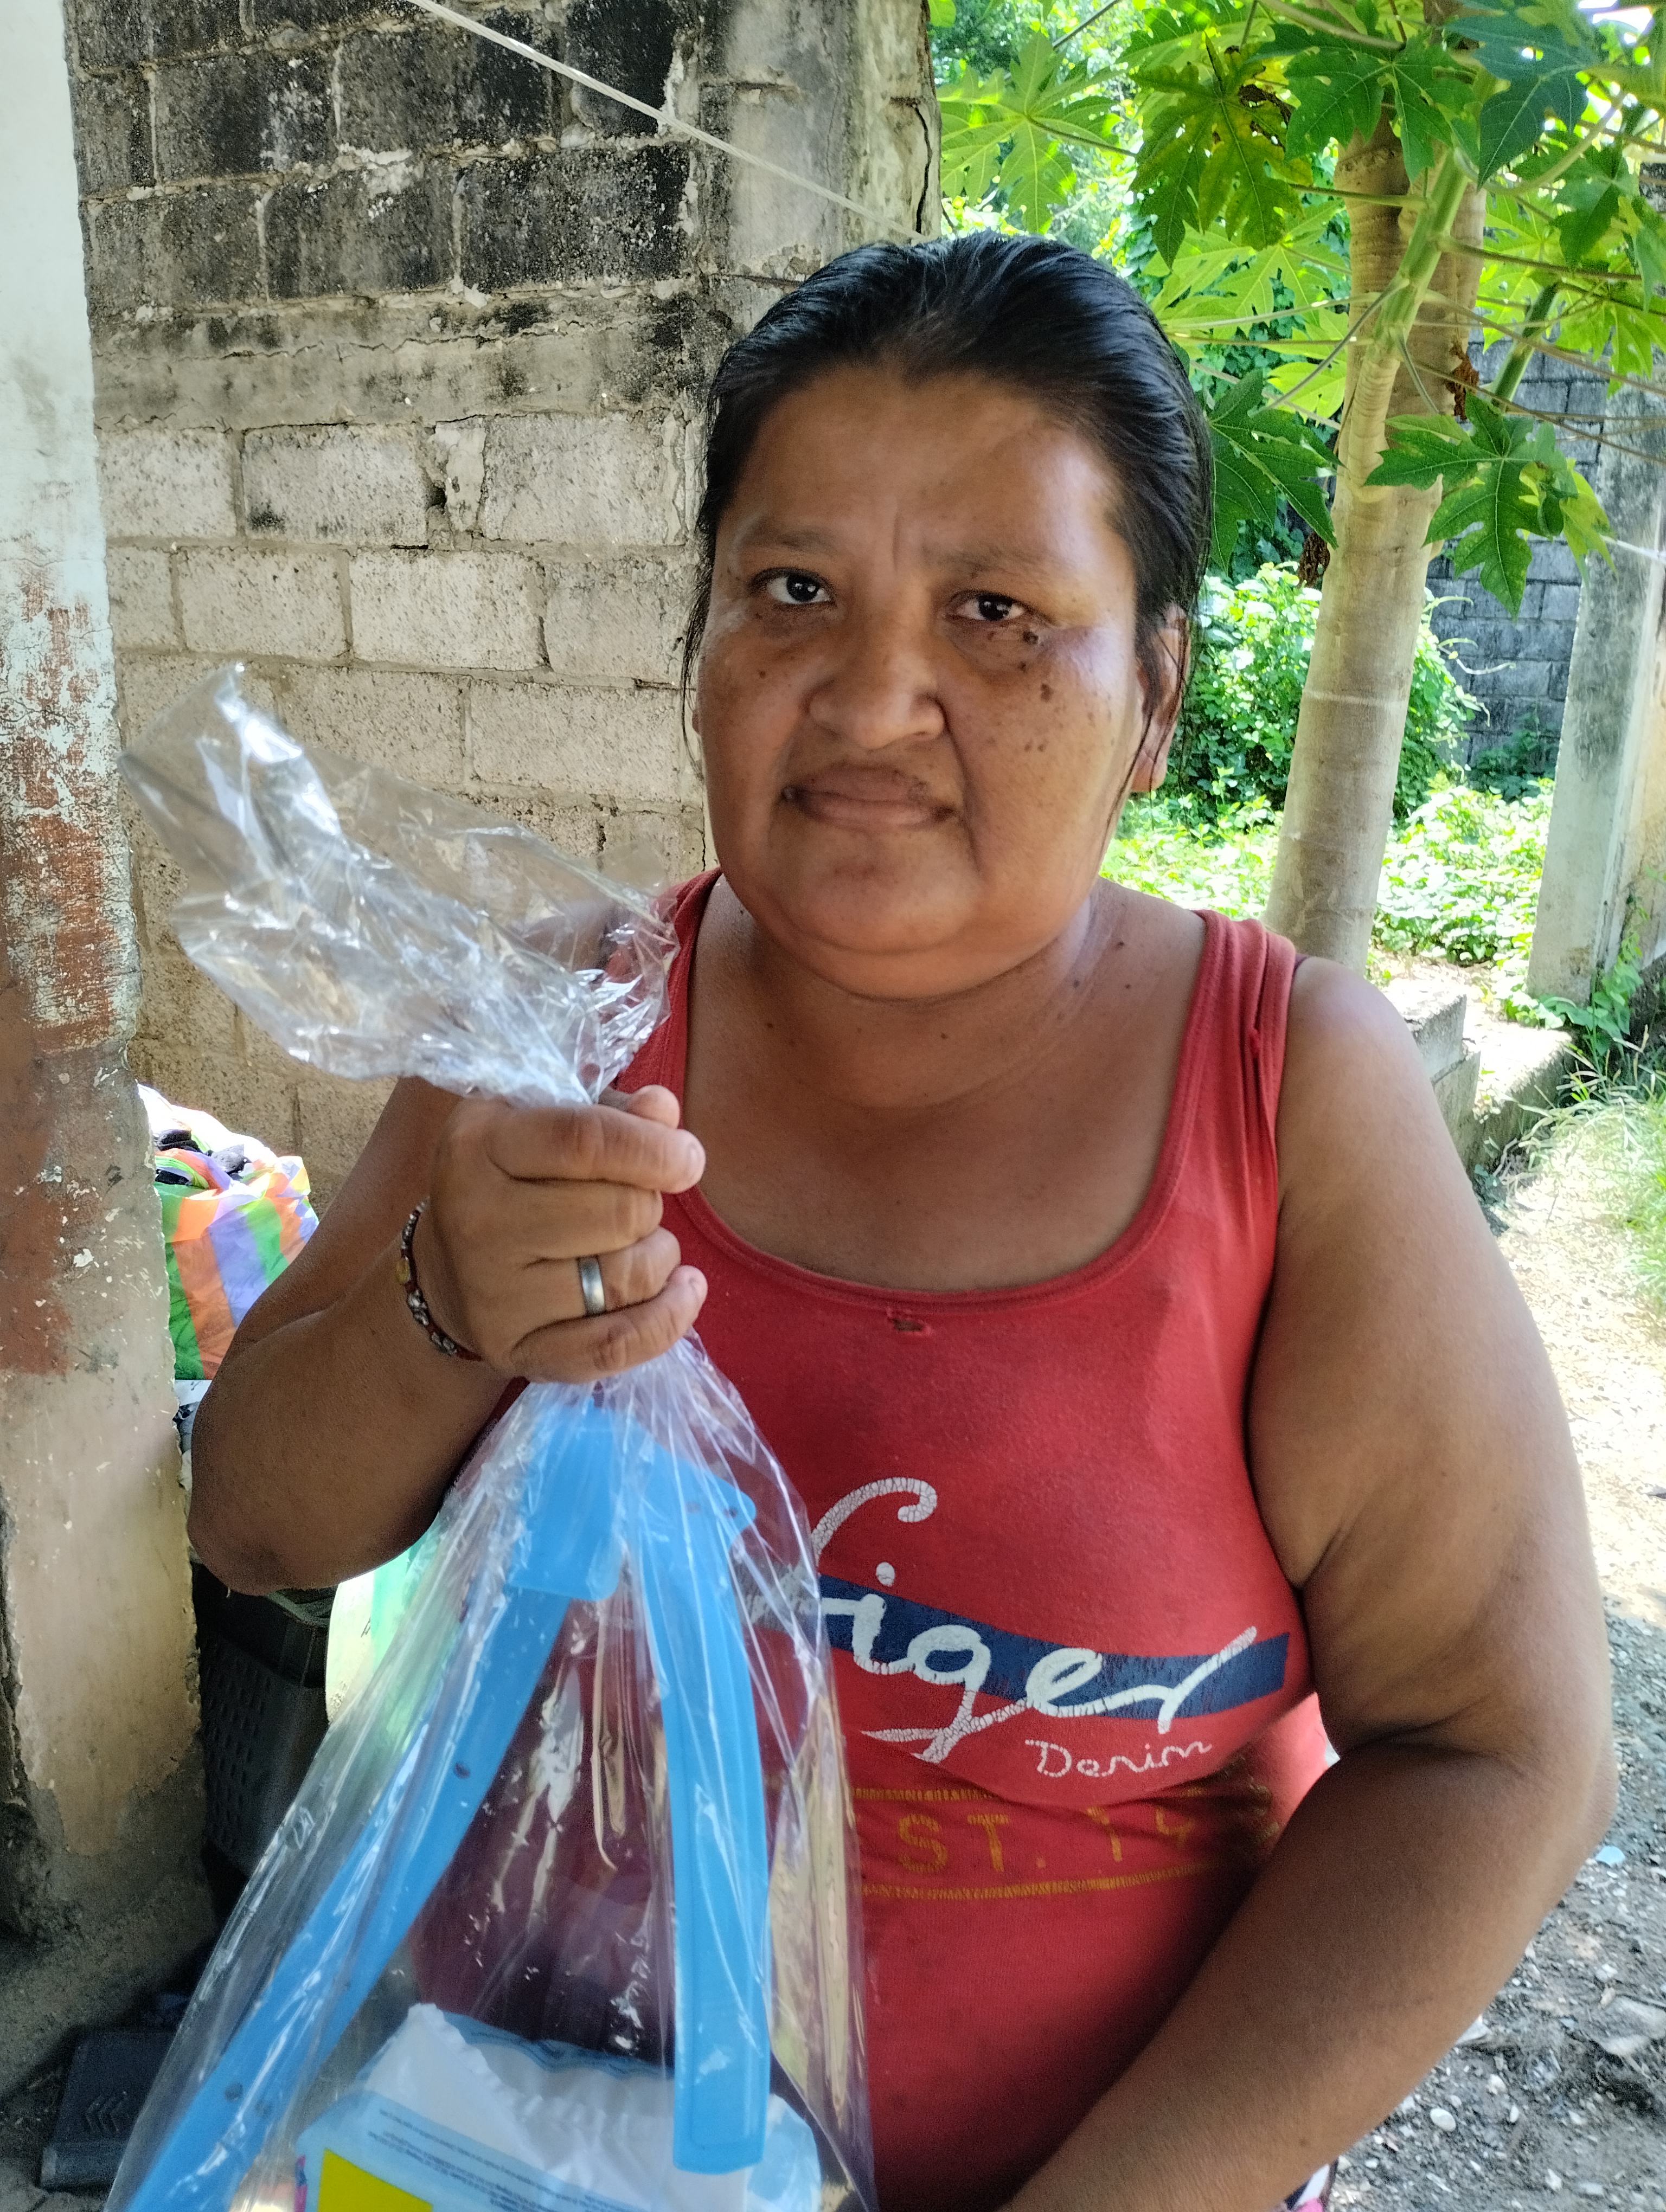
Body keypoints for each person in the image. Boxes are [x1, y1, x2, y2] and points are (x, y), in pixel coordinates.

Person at [189, 233, 1613, 2212]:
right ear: (700, 639)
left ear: (1153, 693)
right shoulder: (559, 1037)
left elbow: (1494, 1756)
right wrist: (446, 1303)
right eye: (794, 592)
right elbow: (254, 1525)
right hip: (518, 2158)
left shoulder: (1287, 1102)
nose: (871, 699)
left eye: (998, 613)